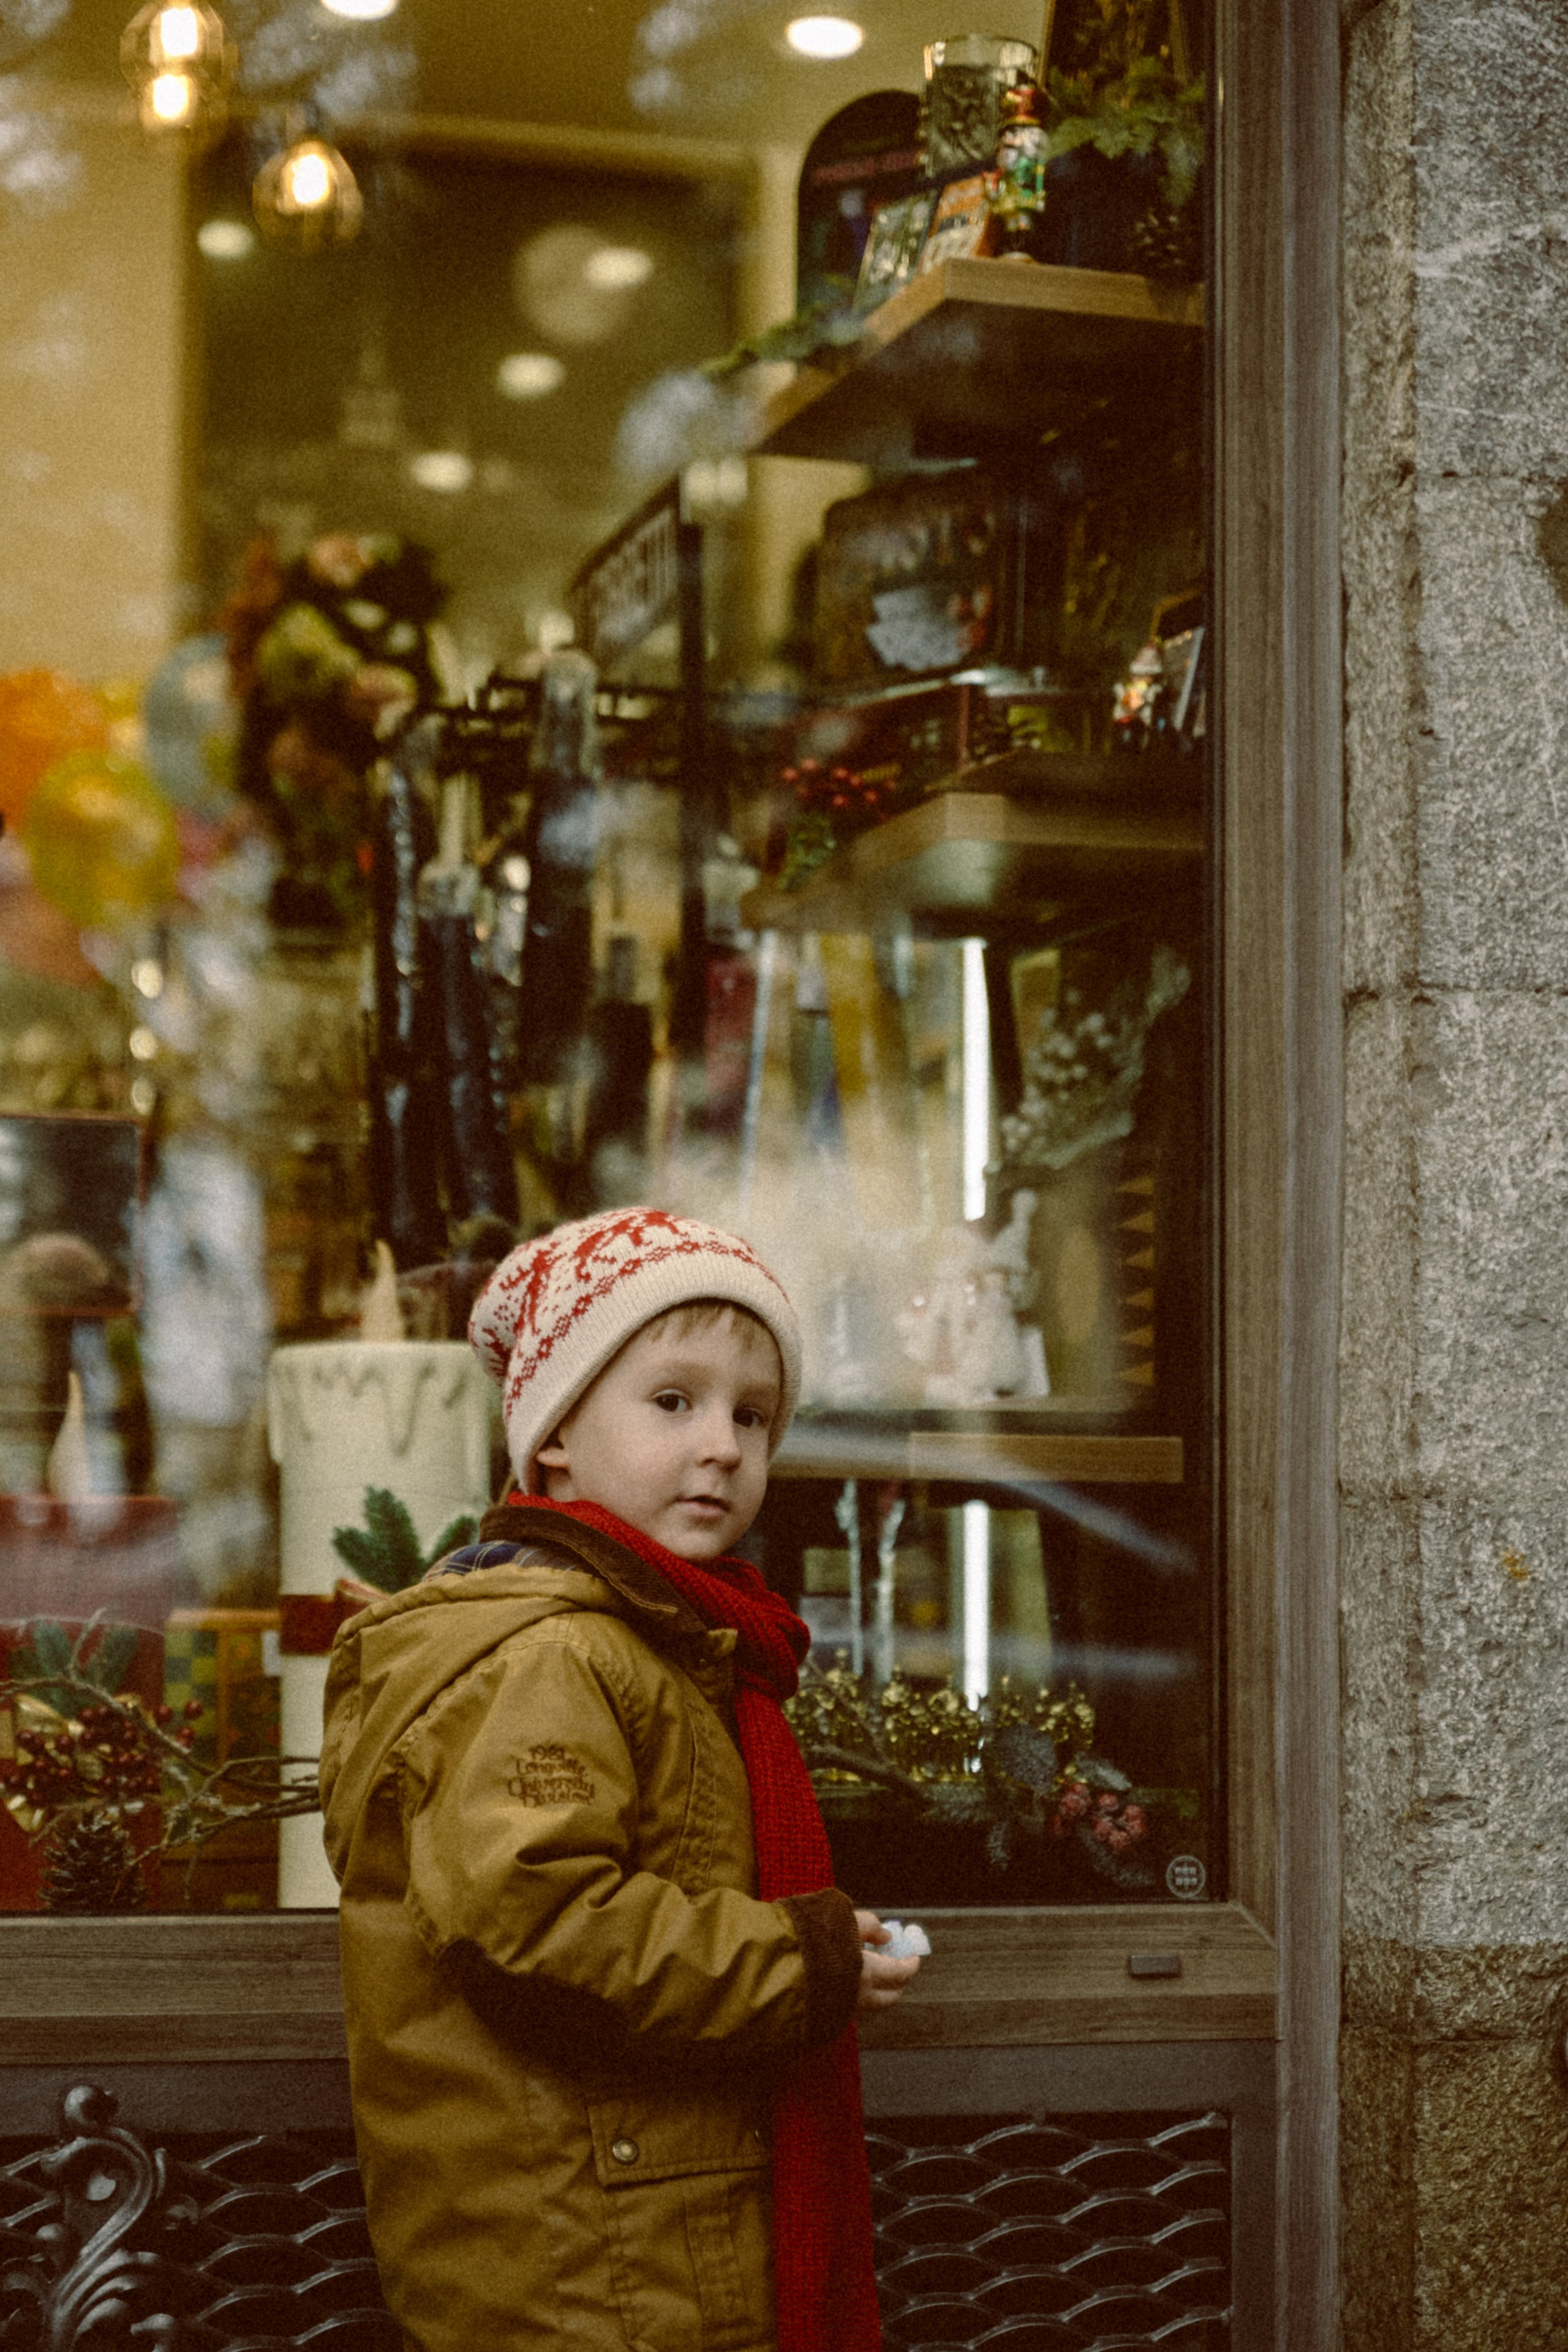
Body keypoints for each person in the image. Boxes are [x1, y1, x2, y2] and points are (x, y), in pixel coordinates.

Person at [320, 1205, 922, 2352]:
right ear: (552, 1437)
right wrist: (793, 1960)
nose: (723, 1446)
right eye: (672, 1401)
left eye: (753, 1415)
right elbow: (535, 1923)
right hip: (594, 2272)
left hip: (628, 2239)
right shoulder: (553, 1651)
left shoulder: (660, 1641)